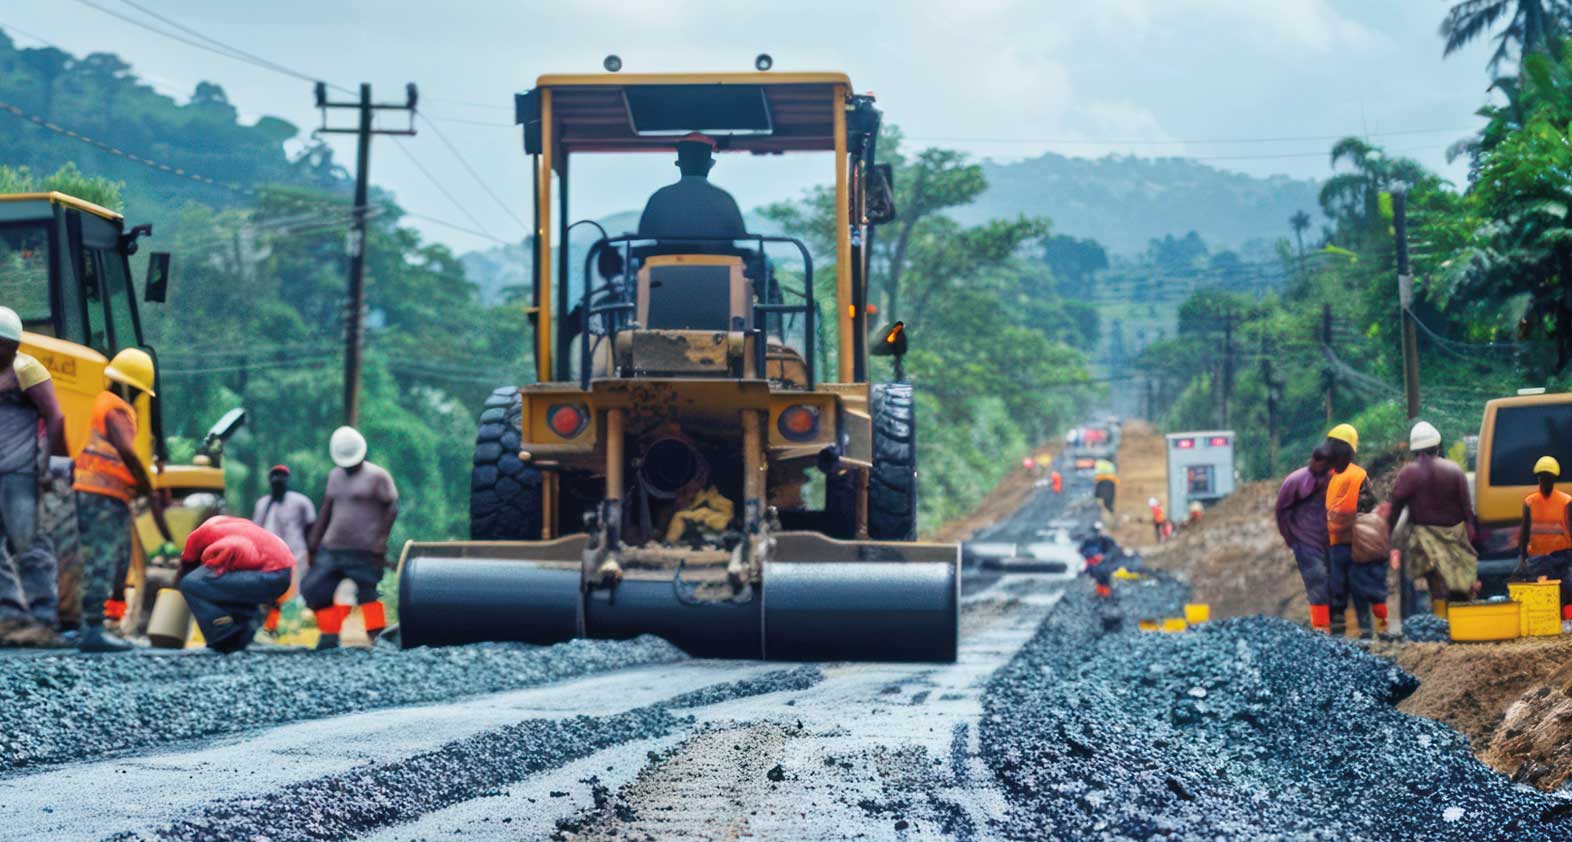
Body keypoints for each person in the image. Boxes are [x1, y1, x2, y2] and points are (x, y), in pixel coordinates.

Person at [72, 348, 172, 652]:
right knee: (100, 561)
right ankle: (92, 628)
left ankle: (89, 626)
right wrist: (145, 485)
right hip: (102, 497)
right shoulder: (115, 408)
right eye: (140, 392)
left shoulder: (103, 403)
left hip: (96, 493)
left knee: (97, 560)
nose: (139, 398)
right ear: (130, 386)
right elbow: (126, 452)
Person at [0, 307, 69, 646]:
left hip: (21, 472)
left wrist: (53, 467)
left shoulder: (26, 369)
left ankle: (43, 618)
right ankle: (10, 615)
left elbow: (56, 418)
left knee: (29, 543)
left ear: (12, 345)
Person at [304, 426, 397, 649]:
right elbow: (326, 509)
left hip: (364, 550)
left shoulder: (377, 476)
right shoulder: (335, 475)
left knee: (368, 595)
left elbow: (392, 507)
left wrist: (380, 541)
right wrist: (313, 544)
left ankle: (377, 640)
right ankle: (329, 634)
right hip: (332, 547)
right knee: (314, 588)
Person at [1386, 421, 1478, 620]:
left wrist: (1392, 537)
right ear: (1437, 446)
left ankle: (1440, 623)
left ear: (1414, 450)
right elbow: (1467, 512)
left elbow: (1395, 507)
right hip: (1455, 534)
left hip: (1424, 537)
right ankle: (1459, 623)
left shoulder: (1408, 474)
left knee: (1435, 583)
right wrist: (1469, 540)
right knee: (1459, 583)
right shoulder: (1454, 471)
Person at [176, 516, 294, 653]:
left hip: (267, 573)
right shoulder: (231, 526)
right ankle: (243, 633)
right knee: (220, 586)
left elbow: (186, 570)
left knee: (190, 583)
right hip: (283, 575)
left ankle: (223, 634)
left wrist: (178, 590)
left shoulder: (199, 536)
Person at [1323, 423, 1381, 638]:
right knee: (1360, 589)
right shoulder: (1359, 475)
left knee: (1336, 591)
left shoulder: (1321, 476)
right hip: (1356, 543)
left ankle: (1337, 636)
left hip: (1331, 544)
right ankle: (1366, 635)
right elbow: (1369, 509)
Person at [637, 133, 746, 243]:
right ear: (710, 164)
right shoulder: (725, 199)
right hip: (719, 259)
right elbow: (740, 235)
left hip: (666, 259)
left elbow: (643, 234)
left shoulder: (658, 197)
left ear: (679, 164)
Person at [1276, 447, 1334, 632]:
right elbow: (1281, 512)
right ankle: (1321, 628)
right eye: (1315, 460)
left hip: (1331, 540)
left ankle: (1337, 626)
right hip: (1305, 541)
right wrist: (1290, 539)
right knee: (1317, 580)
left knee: (1336, 582)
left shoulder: (1333, 479)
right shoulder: (1296, 481)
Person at [252, 464, 315, 634]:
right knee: (271, 594)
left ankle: (294, 627)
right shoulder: (262, 504)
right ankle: (271, 628)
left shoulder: (301, 502)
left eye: (282, 475)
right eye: (274, 475)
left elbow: (311, 528)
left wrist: (313, 553)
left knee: (291, 594)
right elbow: (256, 531)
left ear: (288, 479)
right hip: (269, 556)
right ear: (269, 479)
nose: (278, 479)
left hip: (296, 553)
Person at [1515, 455, 1572, 628]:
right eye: (1542, 478)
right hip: (1538, 557)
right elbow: (1525, 531)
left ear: (1554, 479)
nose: (1545, 482)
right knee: (1543, 593)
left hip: (1562, 555)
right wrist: (1522, 556)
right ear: (1538, 479)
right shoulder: (1530, 502)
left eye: (1548, 478)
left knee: (1567, 591)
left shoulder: (1566, 501)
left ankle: (1566, 622)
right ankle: (1549, 623)